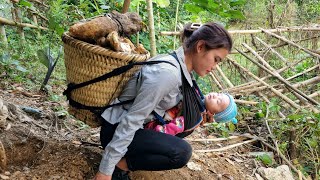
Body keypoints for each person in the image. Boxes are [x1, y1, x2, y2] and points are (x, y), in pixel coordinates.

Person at [94, 22, 233, 180]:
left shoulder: (183, 71)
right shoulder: (167, 74)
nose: (215, 66)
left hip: (136, 128)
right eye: (216, 59)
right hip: (115, 130)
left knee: (188, 124)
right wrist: (105, 170)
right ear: (200, 47)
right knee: (181, 152)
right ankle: (119, 166)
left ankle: (123, 161)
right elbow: (132, 120)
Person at [145, 92, 238, 135]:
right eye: (218, 94)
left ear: (211, 114)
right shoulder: (196, 96)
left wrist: (151, 133)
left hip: (149, 125)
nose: (215, 96)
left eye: (218, 101)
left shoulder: (193, 117)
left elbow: (169, 130)